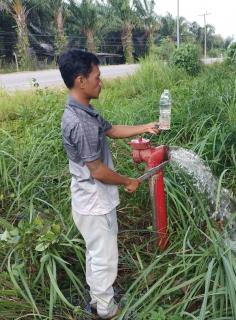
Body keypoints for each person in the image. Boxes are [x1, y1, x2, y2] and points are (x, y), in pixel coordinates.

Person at [58, 49, 160, 319]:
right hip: (95, 203)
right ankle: (107, 311)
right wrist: (128, 181)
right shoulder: (82, 123)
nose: (101, 82)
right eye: (97, 77)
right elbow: (98, 171)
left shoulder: (83, 110)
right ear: (81, 81)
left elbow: (112, 130)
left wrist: (144, 127)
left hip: (87, 200)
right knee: (105, 259)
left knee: (96, 254)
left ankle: (95, 302)